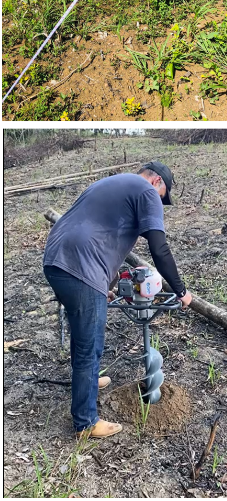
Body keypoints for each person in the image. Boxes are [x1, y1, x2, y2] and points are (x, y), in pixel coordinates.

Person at [43, 161, 192, 439]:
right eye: (162, 198)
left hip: (55, 260)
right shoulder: (146, 192)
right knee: (91, 344)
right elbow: (159, 248)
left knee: (81, 330)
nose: (159, 203)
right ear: (156, 181)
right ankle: (85, 423)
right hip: (80, 265)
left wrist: (105, 286)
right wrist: (181, 291)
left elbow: (102, 239)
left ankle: (87, 381)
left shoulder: (109, 183)